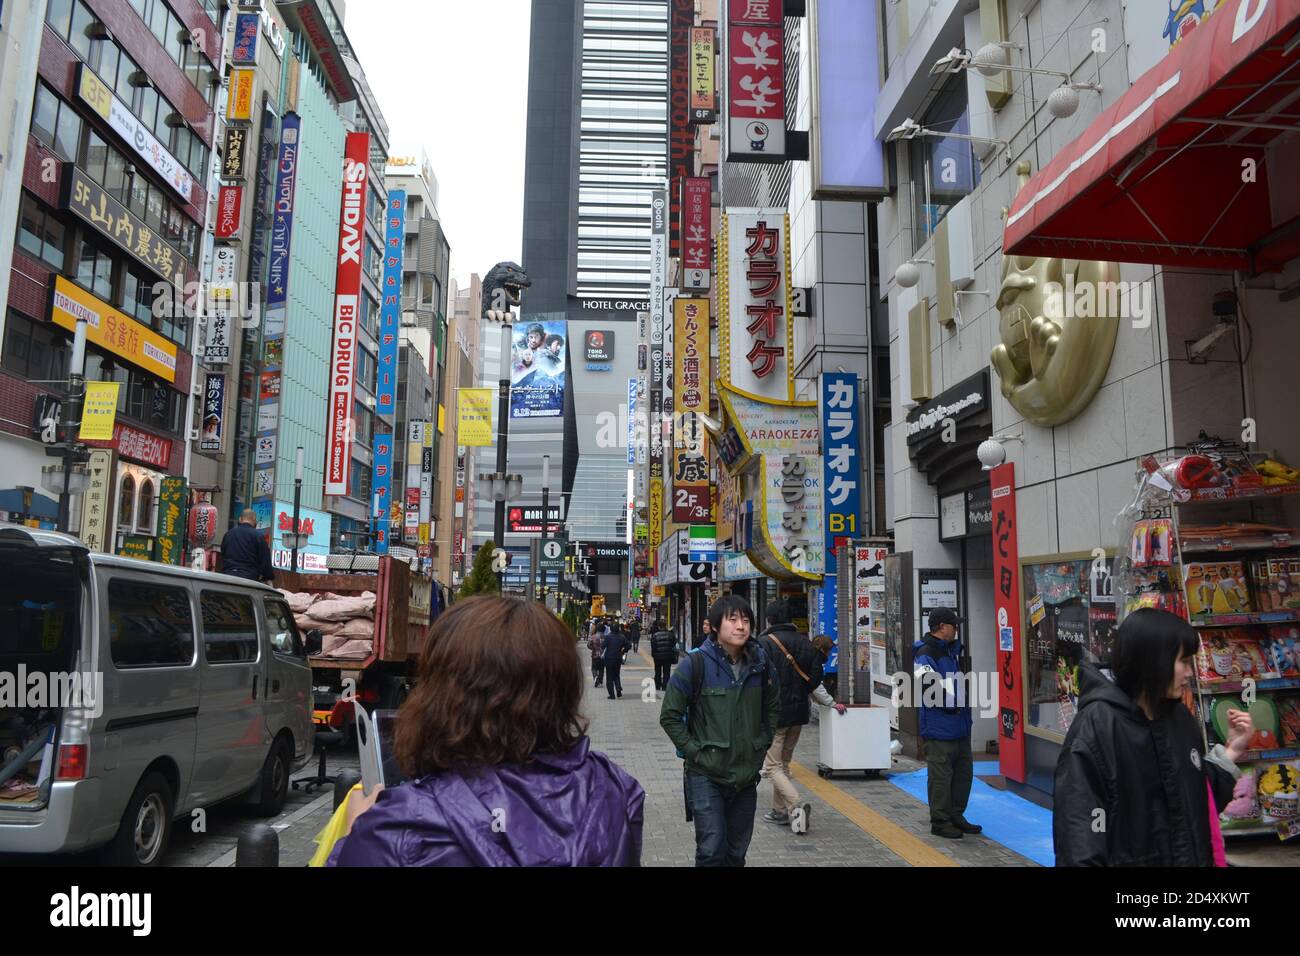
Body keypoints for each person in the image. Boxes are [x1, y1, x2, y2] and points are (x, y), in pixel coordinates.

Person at [330, 596, 645, 866]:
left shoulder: (396, 827)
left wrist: (353, 834)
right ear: (563, 690)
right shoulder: (612, 791)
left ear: (442, 694)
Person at [1053, 608, 1254, 866]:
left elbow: (1193, 801)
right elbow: (1079, 833)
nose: (1190, 672)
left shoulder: (1179, 718)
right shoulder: (1098, 727)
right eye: (1183, 661)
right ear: (1153, 660)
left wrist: (1231, 752)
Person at [659, 595, 779, 867]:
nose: (741, 627)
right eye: (733, 620)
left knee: (736, 854)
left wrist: (762, 743)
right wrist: (694, 753)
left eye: (746, 620)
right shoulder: (695, 663)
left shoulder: (760, 664)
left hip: (746, 777)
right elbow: (669, 716)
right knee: (711, 850)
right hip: (706, 773)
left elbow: (773, 707)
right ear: (714, 626)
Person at [756, 600, 845, 832]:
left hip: (775, 715)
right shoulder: (805, 643)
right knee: (783, 764)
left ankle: (795, 804)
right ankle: (779, 811)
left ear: (769, 620)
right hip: (798, 714)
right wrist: (801, 691)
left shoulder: (764, 643)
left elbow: (755, 680)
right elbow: (815, 679)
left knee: (771, 767)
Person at [913, 607, 981, 839]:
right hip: (940, 726)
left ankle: (956, 815)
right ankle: (940, 821)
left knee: (963, 774)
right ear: (942, 627)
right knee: (941, 777)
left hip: (959, 725)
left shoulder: (950, 651)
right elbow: (928, 686)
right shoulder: (925, 653)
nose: (957, 629)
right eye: (954, 625)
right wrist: (953, 704)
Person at [220, 508, 275, 583]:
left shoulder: (228, 534)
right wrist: (267, 577)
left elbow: (223, 555)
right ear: (254, 520)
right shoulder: (258, 536)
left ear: (240, 519)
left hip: (228, 576)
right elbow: (265, 561)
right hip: (249, 579)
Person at [602, 623, 630, 699]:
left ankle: (612, 695)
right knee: (616, 675)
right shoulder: (622, 637)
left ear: (610, 629)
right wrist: (623, 651)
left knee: (609, 676)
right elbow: (629, 645)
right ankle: (618, 688)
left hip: (609, 659)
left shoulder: (608, 637)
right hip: (618, 658)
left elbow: (602, 646)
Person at [649, 621, 678, 692]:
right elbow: (673, 645)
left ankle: (658, 686)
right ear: (665, 626)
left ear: (659, 626)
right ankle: (665, 686)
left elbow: (653, 646)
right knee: (666, 671)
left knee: (657, 671)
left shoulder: (655, 635)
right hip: (668, 656)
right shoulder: (670, 635)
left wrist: (653, 655)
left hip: (657, 657)